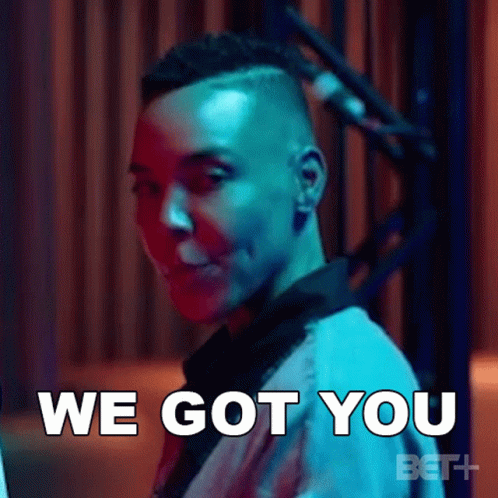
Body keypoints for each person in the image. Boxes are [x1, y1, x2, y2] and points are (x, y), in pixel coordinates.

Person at [130, 32, 444, 498]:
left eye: (207, 179)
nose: (166, 219)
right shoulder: (259, 373)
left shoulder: (332, 400)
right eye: (147, 188)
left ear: (306, 181)